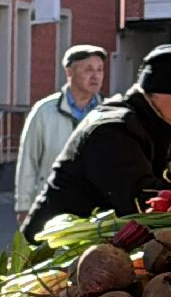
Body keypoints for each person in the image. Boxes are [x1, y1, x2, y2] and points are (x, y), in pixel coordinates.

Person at [23, 44, 171, 238]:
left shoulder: (164, 126)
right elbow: (143, 200)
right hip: (53, 253)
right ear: (162, 93)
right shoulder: (112, 130)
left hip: (107, 250)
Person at [14, 44, 107, 226]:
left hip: (95, 207)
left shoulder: (107, 112)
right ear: (70, 72)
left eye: (100, 70)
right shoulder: (44, 111)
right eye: (88, 69)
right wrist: (24, 206)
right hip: (50, 204)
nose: (95, 76)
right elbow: (28, 160)